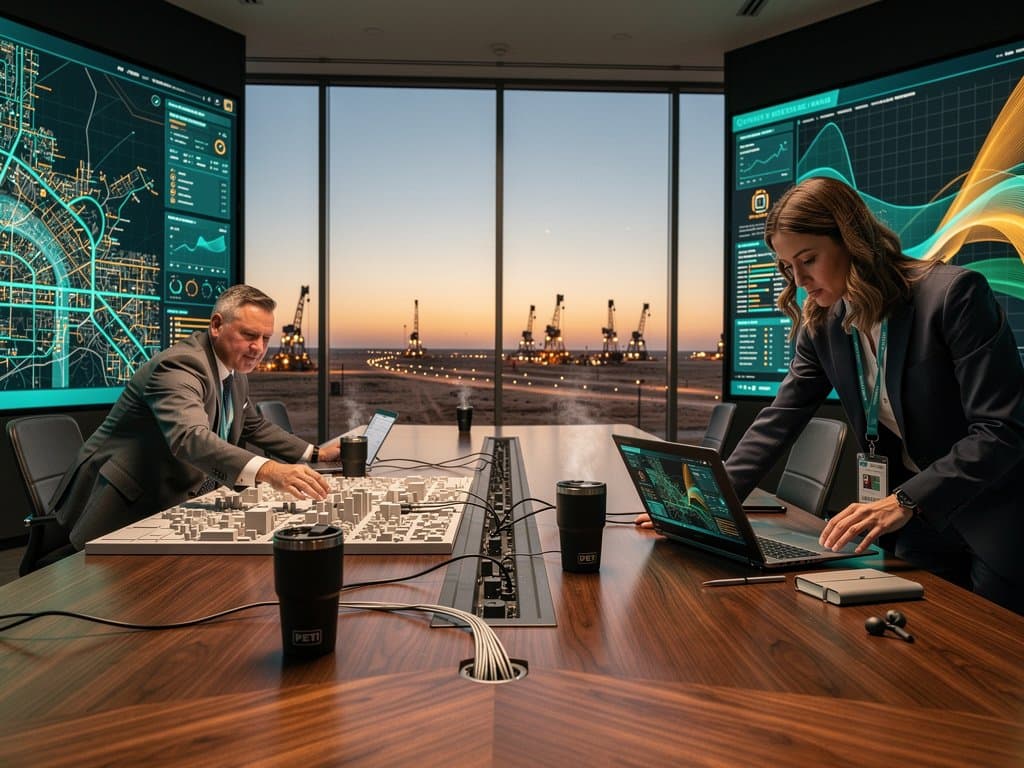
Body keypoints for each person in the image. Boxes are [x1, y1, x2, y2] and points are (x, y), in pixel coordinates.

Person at [639, 177, 1024, 614]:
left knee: (995, 663)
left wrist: (905, 499)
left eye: (809, 259)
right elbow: (779, 417)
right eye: (787, 266)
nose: (800, 280)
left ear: (852, 241)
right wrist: (705, 505)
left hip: (994, 518)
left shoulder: (954, 295)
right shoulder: (823, 324)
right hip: (916, 525)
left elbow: (1002, 429)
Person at [51, 284, 341, 550]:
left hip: (173, 506)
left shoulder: (235, 375)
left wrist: (316, 453)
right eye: (249, 335)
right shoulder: (179, 365)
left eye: (266, 338)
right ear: (216, 325)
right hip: (124, 511)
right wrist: (270, 471)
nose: (260, 348)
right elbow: (190, 438)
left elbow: (253, 424)